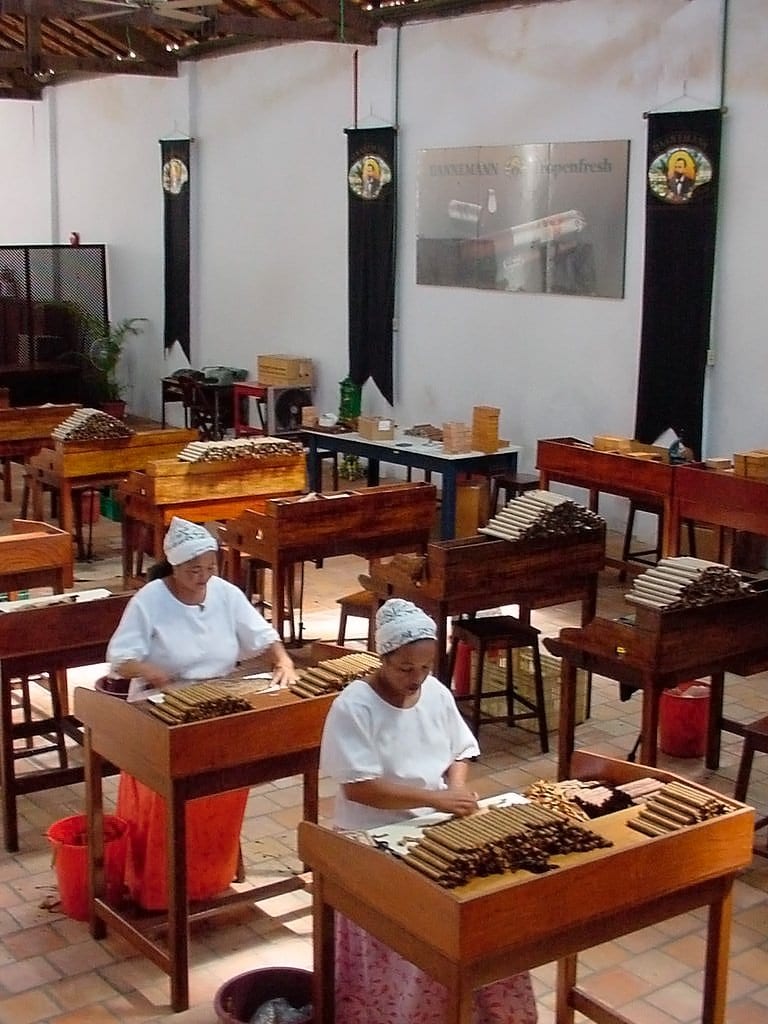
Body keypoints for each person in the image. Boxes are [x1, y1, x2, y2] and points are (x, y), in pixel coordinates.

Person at [320, 598, 538, 1024]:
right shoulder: (355, 706)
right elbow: (361, 788)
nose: (416, 678)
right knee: (424, 924)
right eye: (405, 668)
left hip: (431, 825)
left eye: (425, 667)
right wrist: (436, 799)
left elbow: (460, 750)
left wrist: (455, 791)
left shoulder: (434, 693)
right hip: (372, 837)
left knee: (483, 907)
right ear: (381, 658)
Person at [106, 516, 297, 910]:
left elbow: (262, 636)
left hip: (217, 699)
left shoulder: (224, 594)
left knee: (223, 782)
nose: (204, 577)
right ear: (174, 566)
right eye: (194, 570)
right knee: (168, 796)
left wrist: (283, 661)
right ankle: (158, 889)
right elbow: (120, 660)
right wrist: (148, 670)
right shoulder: (150, 600)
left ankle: (211, 875)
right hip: (161, 705)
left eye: (211, 568)